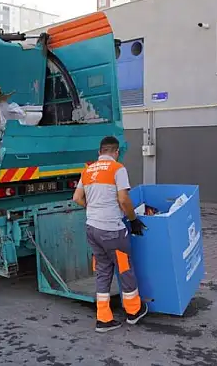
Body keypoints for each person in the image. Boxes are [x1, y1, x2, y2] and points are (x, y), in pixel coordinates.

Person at [73, 136, 148, 333]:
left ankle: (103, 319)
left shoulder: (88, 170)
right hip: (112, 230)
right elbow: (124, 199)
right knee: (124, 268)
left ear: (100, 152)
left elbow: (76, 198)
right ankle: (134, 311)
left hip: (92, 228)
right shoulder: (117, 168)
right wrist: (133, 220)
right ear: (115, 152)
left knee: (103, 270)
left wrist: (94, 208)